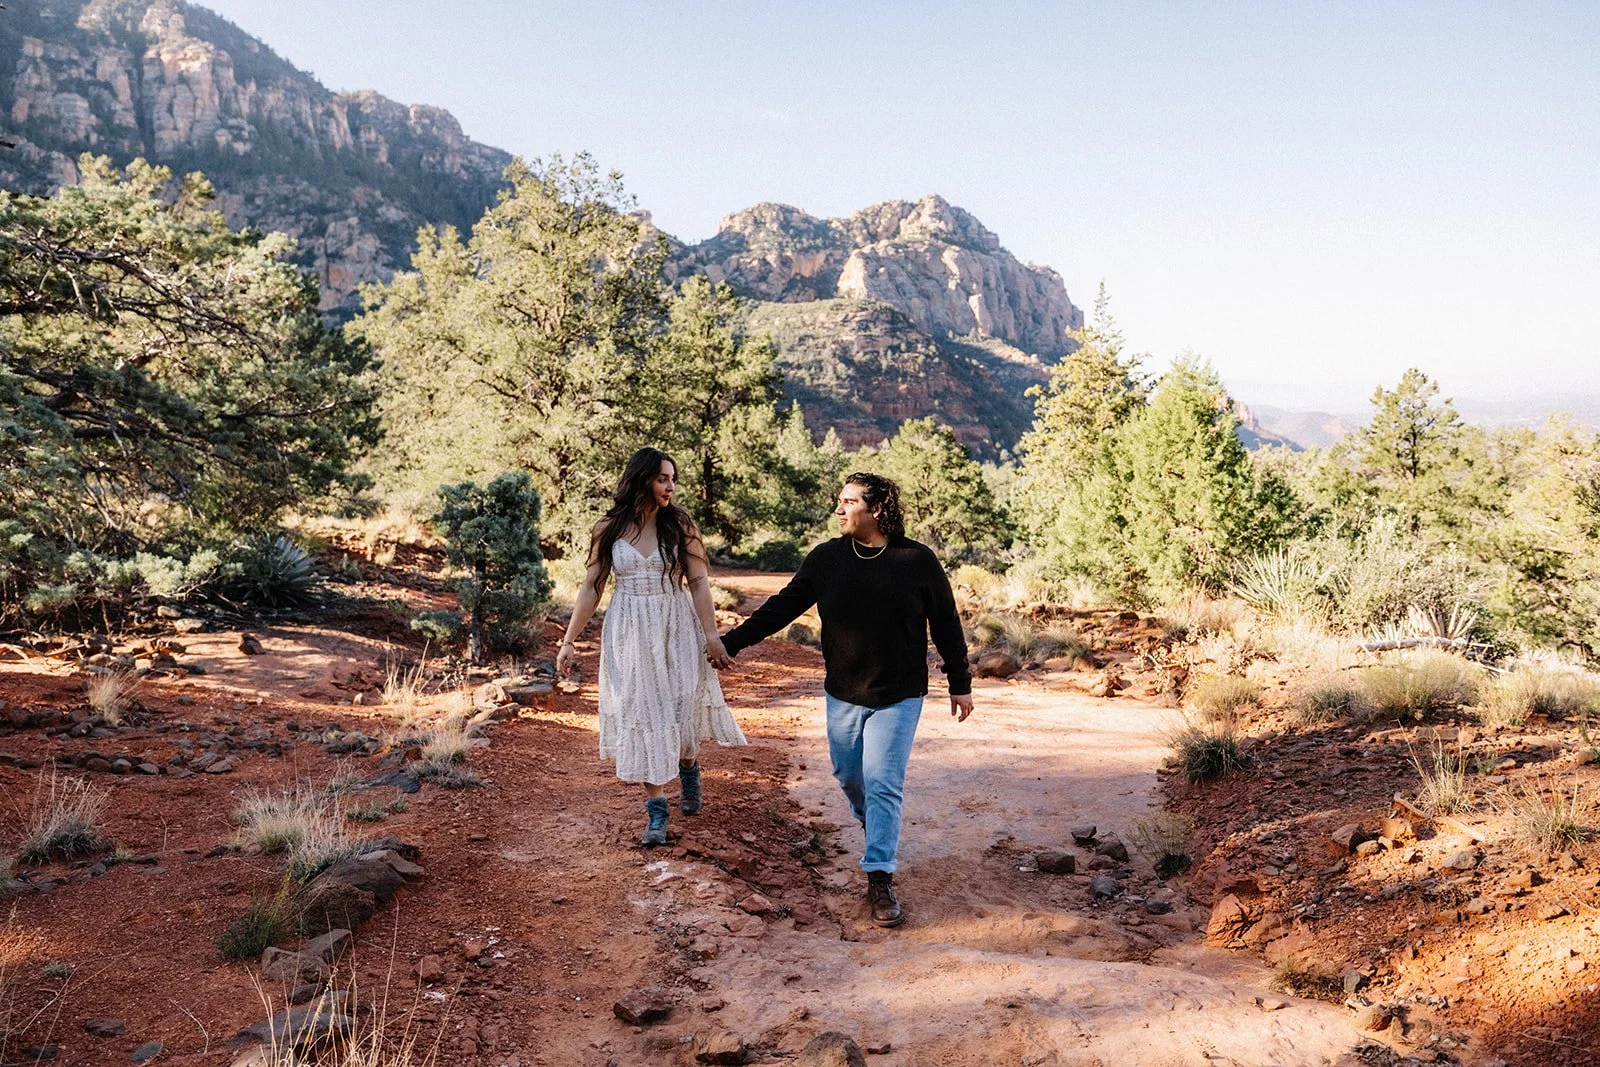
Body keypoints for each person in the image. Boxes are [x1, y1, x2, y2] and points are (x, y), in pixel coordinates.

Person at [713, 472, 972, 927]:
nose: (839, 509)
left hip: (899, 693)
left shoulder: (917, 560)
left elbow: (946, 622)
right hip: (844, 693)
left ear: (877, 509)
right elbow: (781, 608)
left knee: (883, 781)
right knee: (850, 776)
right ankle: (877, 826)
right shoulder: (827, 559)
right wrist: (731, 642)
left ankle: (879, 876)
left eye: (849, 501)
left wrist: (960, 680)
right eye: (840, 500)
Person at [557, 447, 746, 846]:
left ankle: (688, 767)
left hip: (675, 623)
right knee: (643, 709)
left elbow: (698, 582)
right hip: (629, 628)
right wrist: (568, 640)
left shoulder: (680, 525)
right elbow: (592, 587)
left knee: (679, 703)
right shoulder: (608, 528)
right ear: (642, 479)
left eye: (673, 480)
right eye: (663, 479)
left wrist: (712, 636)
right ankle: (657, 810)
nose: (670, 487)